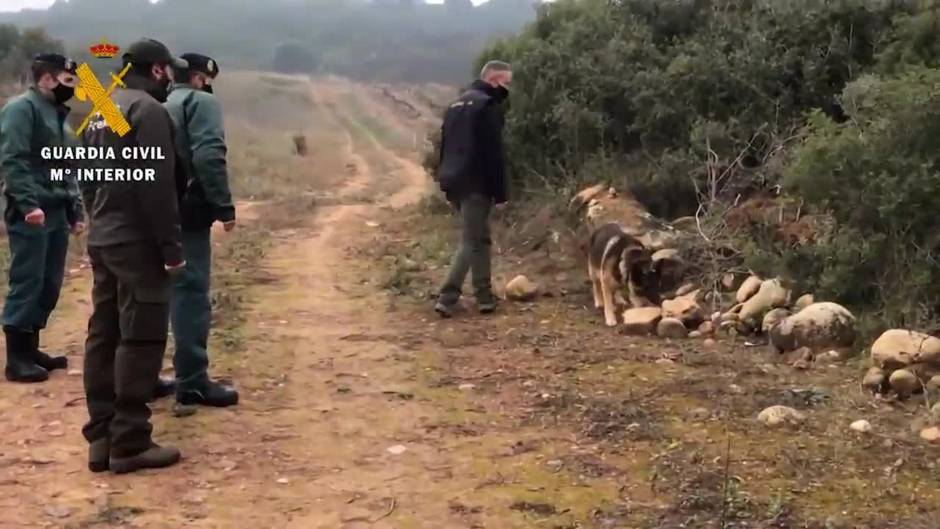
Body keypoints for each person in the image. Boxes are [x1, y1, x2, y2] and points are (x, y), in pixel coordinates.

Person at [80, 38, 188, 474]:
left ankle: (102, 438)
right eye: (169, 71)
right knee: (140, 338)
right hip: (138, 244)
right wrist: (171, 248)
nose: (171, 79)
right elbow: (158, 187)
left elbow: (85, 178)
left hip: (104, 237)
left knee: (103, 334)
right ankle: (129, 442)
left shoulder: (104, 108)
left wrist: (99, 220)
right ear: (158, 70)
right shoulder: (148, 111)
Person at [0, 54, 85, 383]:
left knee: (49, 283)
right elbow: (13, 158)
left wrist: (75, 210)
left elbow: (68, 167)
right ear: (47, 79)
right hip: (32, 211)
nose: (73, 87)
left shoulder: (58, 116)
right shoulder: (22, 109)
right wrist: (26, 204)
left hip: (57, 209)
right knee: (28, 279)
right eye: (67, 80)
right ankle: (17, 358)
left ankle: (32, 348)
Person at [160, 52, 238, 408]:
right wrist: (223, 206)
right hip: (187, 213)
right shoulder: (199, 102)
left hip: (148, 213)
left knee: (150, 296)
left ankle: (142, 377)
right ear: (198, 78)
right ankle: (191, 381)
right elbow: (209, 155)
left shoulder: (155, 103)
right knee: (190, 295)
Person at [433, 60, 512, 318]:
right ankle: (447, 295)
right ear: (495, 80)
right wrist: (500, 193)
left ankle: (485, 297)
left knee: (480, 238)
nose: (507, 89)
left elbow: (443, 147)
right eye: (506, 83)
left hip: (453, 181)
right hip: (476, 183)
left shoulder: (455, 106)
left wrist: (443, 182)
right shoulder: (486, 106)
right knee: (471, 239)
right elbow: (493, 154)